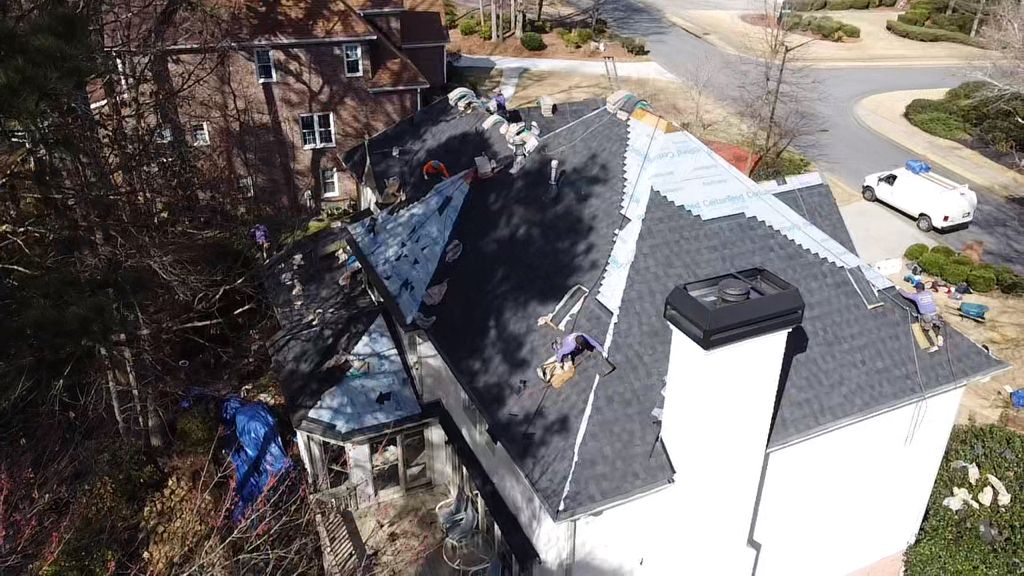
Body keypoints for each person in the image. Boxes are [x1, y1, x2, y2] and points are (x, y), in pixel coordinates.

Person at [536, 333, 605, 384]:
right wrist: (561, 367)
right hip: (561, 349)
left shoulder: (581, 335)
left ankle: (546, 368)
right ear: (578, 345)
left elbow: (593, 341)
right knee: (562, 366)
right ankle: (546, 372)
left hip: (564, 345)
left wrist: (602, 350)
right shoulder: (565, 350)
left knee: (567, 361)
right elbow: (559, 359)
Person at [899, 282, 944, 349]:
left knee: (925, 330)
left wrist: (899, 288)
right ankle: (939, 336)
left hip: (926, 316)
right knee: (935, 326)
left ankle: (933, 345)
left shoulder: (916, 296)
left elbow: (905, 294)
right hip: (934, 313)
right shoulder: (929, 293)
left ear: (917, 289)